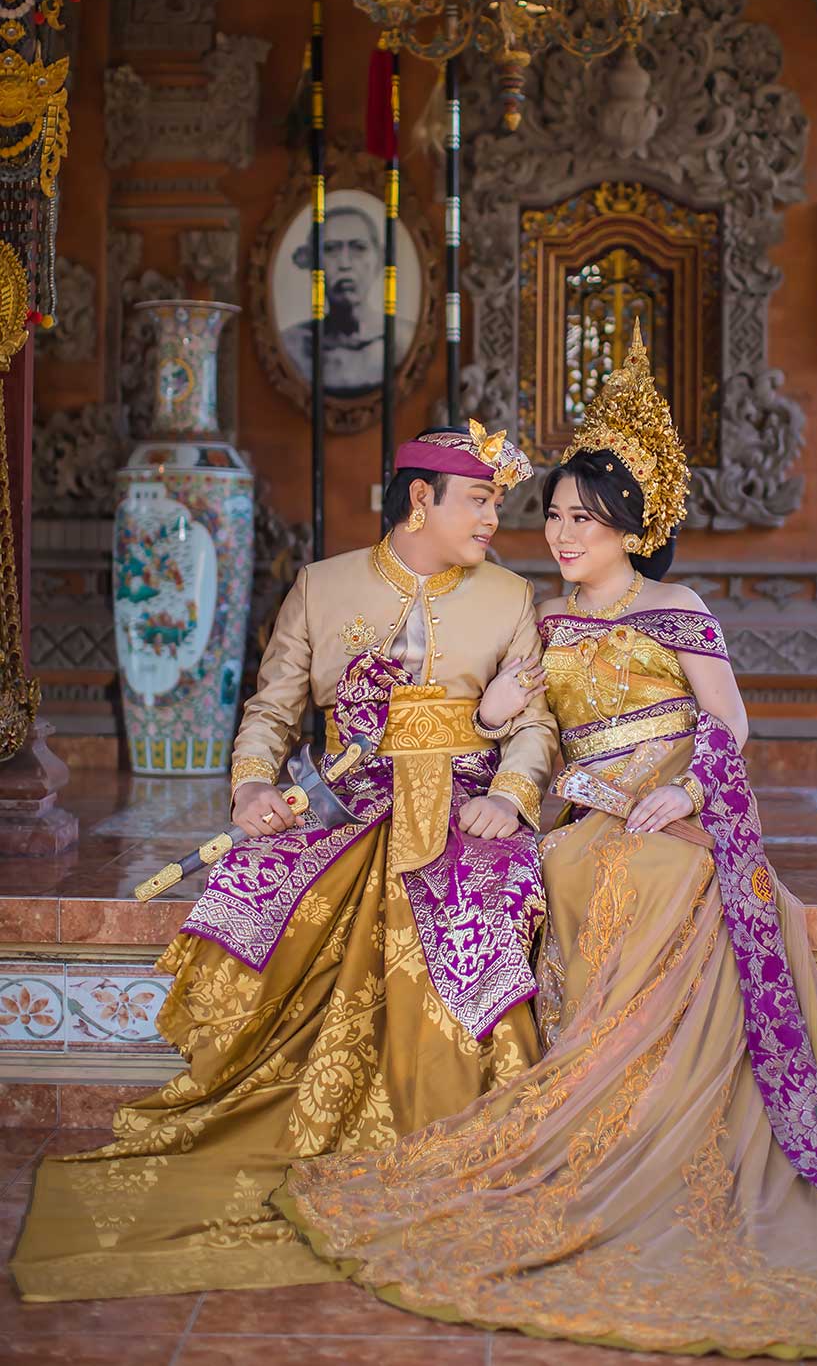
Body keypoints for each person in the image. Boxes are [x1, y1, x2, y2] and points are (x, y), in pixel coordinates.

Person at [271, 327, 817, 1358]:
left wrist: (685, 789)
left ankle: (647, 1118)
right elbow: (521, 727)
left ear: (634, 526)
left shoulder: (675, 607)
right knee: (565, 867)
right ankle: (597, 1109)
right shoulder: (545, 618)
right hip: (584, 813)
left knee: (656, 875)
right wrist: (496, 712)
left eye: (585, 518)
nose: (563, 534)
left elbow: (730, 722)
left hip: (673, 807)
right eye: (555, 514)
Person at [13, 420, 560, 1302]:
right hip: (342, 798)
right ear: (422, 499)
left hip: (465, 803)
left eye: (496, 501)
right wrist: (251, 789)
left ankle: (462, 1115)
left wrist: (512, 793)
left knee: (479, 895)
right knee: (273, 881)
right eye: (480, 500)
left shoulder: (510, 596)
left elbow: (533, 724)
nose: (495, 518)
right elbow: (271, 710)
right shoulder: (324, 585)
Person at [281, 203, 414, 395]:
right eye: (330, 249)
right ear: (311, 262)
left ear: (379, 259)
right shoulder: (293, 347)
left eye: (359, 248)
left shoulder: (404, 340)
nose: (344, 264)